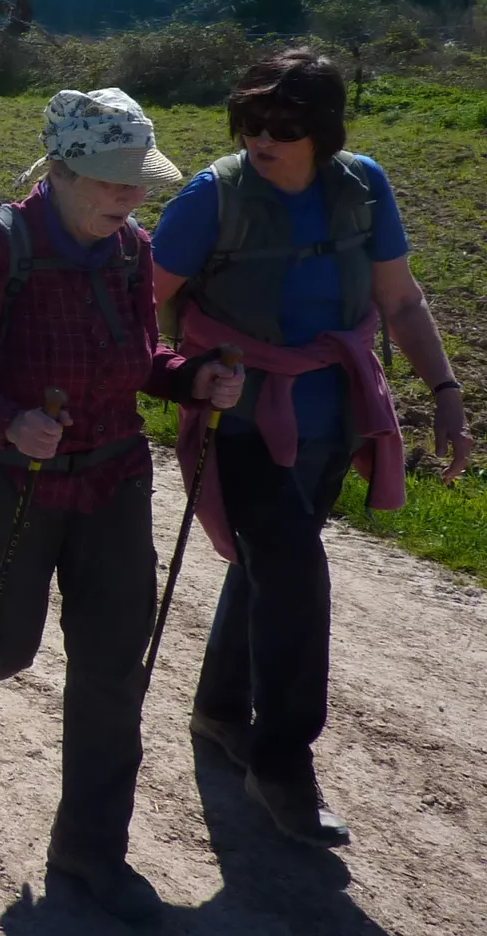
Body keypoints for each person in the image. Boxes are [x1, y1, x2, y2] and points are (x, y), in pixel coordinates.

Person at [0, 88, 243, 926]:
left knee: (115, 670)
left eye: (139, 179)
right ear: (63, 169)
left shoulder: (131, 252)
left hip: (114, 479)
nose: (132, 194)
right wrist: (8, 421)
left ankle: (90, 857)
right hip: (10, 482)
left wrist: (189, 377)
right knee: (3, 645)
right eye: (115, 179)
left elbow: (138, 358)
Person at [152, 48, 472, 848]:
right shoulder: (211, 197)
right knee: (296, 576)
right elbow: (142, 301)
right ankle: (281, 760)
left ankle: (221, 711)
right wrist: (176, 378)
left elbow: (399, 299)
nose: (262, 137)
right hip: (244, 418)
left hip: (334, 415)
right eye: (250, 121)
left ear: (324, 132)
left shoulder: (360, 186)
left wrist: (445, 392)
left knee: (268, 568)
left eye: (284, 126)